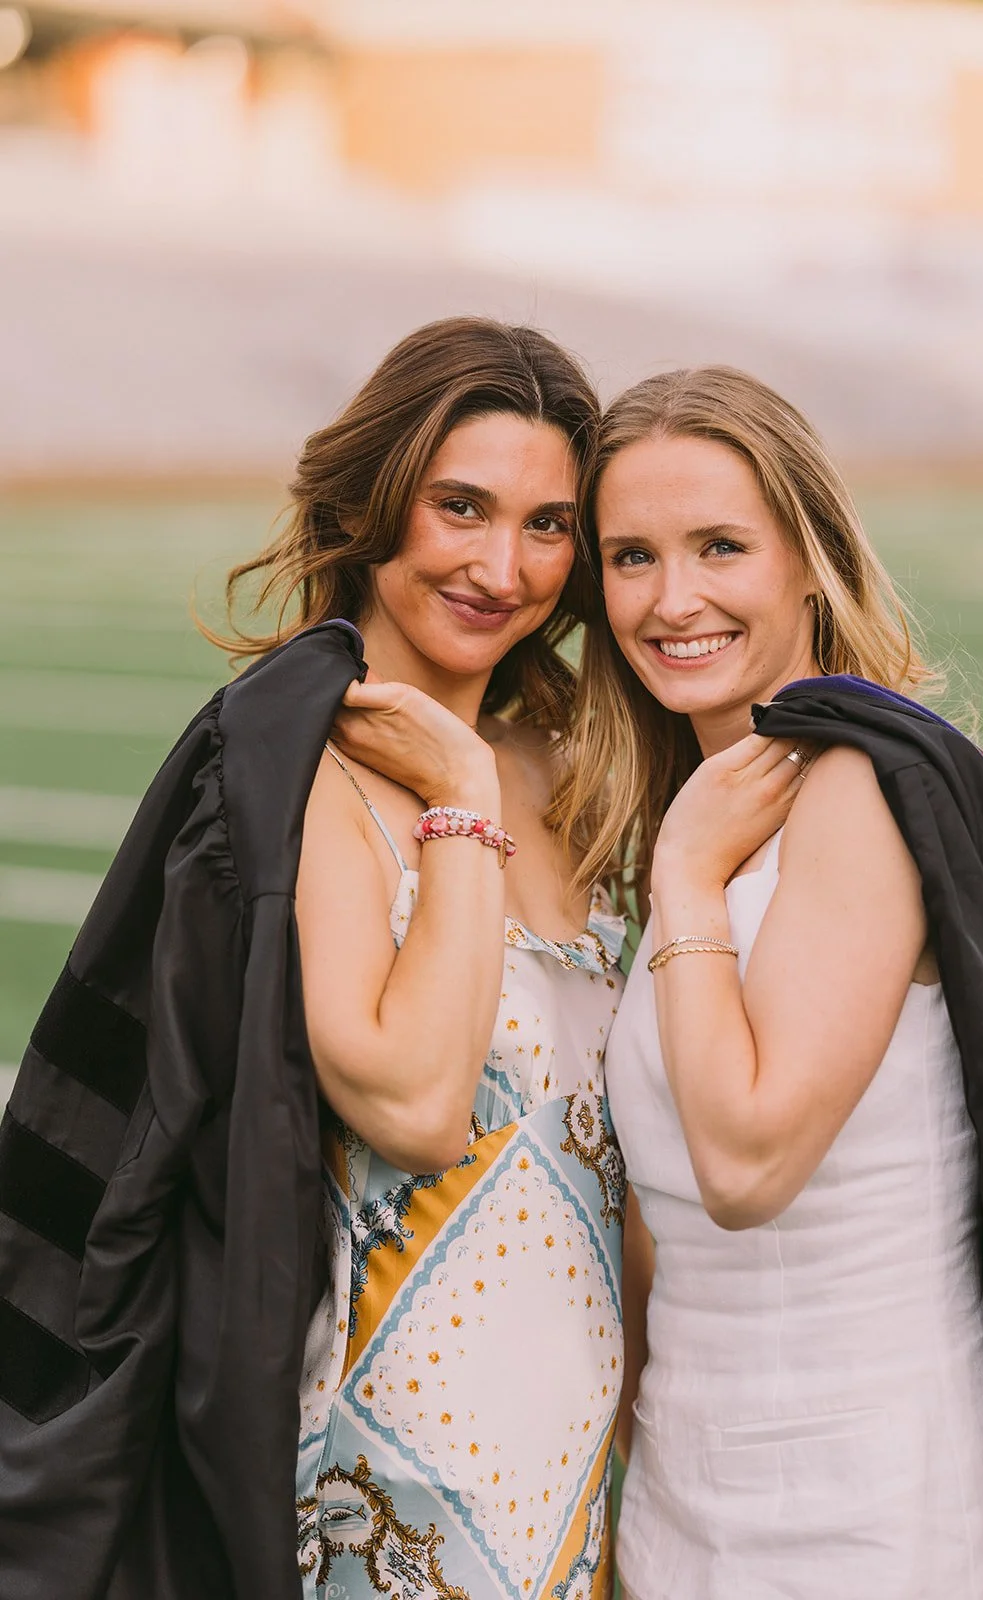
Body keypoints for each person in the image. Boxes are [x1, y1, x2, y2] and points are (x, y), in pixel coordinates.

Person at [554, 367, 983, 1598]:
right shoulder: (694, 812)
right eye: (631, 556)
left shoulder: (855, 794)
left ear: (808, 559)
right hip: (683, 1496)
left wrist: (690, 881)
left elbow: (748, 1164)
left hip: (860, 1510)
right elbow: (655, 1226)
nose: (674, 597)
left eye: (718, 545)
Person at [212, 318, 627, 1599]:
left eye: (548, 524)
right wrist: (456, 794)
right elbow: (415, 1101)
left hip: (588, 1455)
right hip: (399, 1473)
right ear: (376, 498)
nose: (503, 566)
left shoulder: (571, 765)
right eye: (461, 506)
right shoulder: (306, 774)